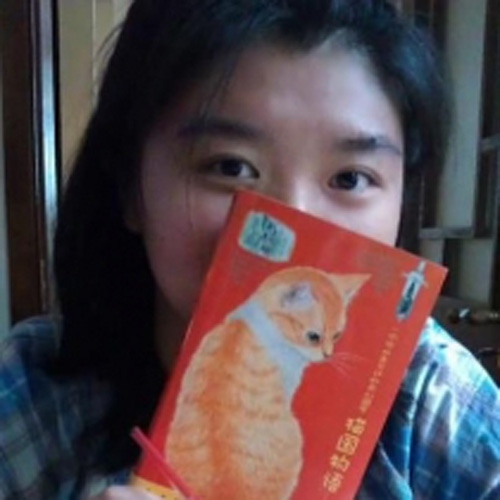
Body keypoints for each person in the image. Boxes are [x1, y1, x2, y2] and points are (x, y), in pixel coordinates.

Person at [1, 0, 499, 498]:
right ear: (130, 188)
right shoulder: (34, 388)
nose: (296, 225)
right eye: (230, 167)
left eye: (350, 178)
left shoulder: (434, 394)